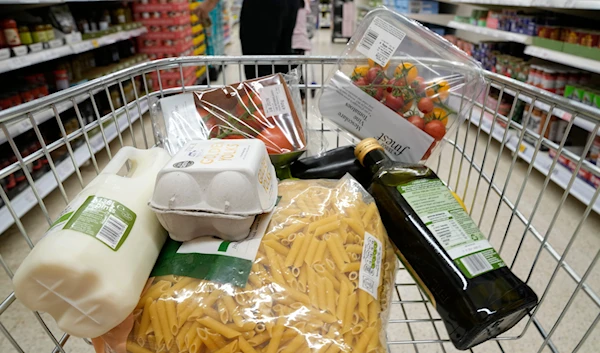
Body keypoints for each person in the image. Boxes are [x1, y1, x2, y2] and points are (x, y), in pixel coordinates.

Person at [196, 0, 302, 80]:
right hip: (289, 4)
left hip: (263, 6)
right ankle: (280, 106)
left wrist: (211, 2)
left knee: (259, 69)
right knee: (281, 65)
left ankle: (263, 106)